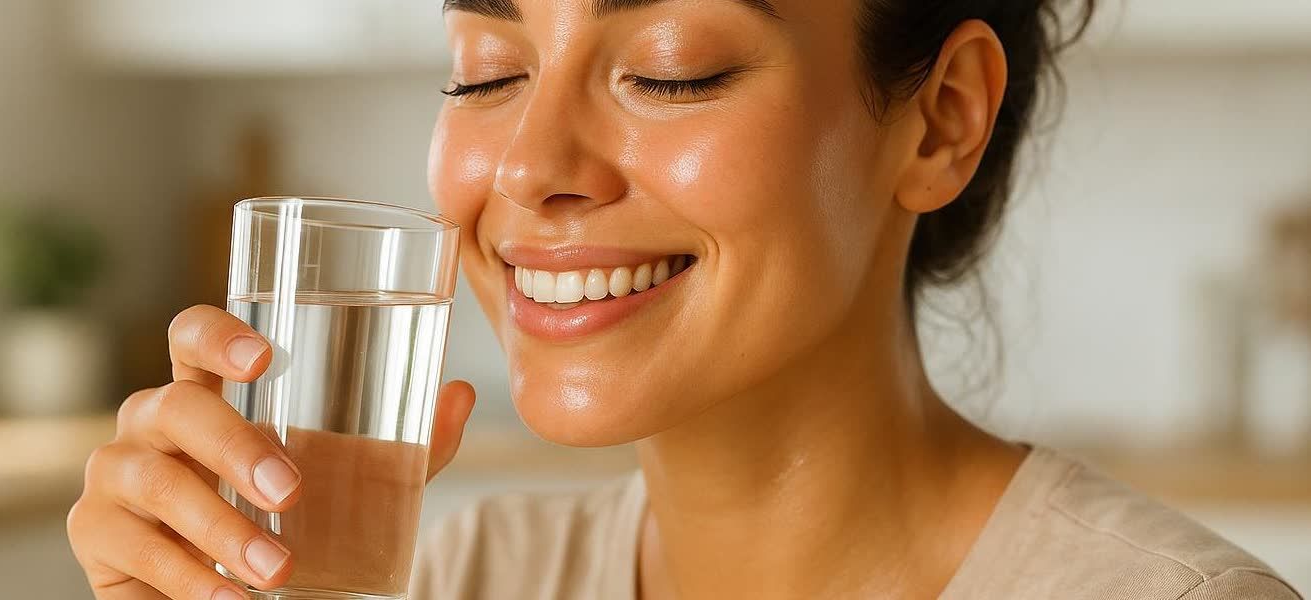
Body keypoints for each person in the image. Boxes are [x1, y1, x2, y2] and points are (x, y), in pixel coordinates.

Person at [68, 1, 1303, 598]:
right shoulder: (468, 580)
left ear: (942, 118)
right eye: (485, 72)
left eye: (672, 70)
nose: (532, 171)